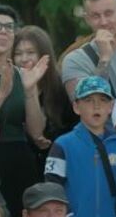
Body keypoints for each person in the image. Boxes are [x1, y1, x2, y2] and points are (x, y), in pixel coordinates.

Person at [45, 76, 116, 217]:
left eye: (103, 100)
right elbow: (52, 188)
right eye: (89, 100)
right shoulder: (63, 145)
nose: (96, 106)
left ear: (111, 107)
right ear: (76, 107)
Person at [0, 2, 42, 217]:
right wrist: (2, 93)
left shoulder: (22, 74)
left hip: (19, 159)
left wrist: (30, 90)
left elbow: (36, 132)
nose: (3, 31)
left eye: (9, 26)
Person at [12, 26, 75, 160]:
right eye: (18, 53)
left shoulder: (60, 87)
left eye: (30, 52)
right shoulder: (9, 87)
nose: (24, 59)